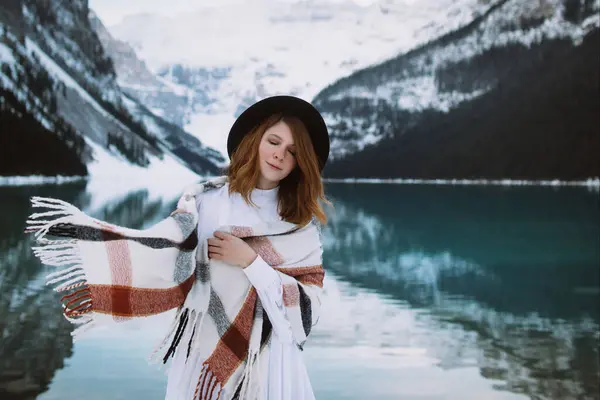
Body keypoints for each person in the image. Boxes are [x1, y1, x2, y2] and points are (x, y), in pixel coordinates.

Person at [26, 95, 330, 400]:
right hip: (200, 348)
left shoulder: (298, 226)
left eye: (292, 151)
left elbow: (306, 312)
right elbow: (165, 253)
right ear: (255, 140)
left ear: (300, 162)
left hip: (265, 358)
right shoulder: (204, 201)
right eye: (273, 141)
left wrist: (251, 262)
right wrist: (90, 239)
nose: (279, 155)